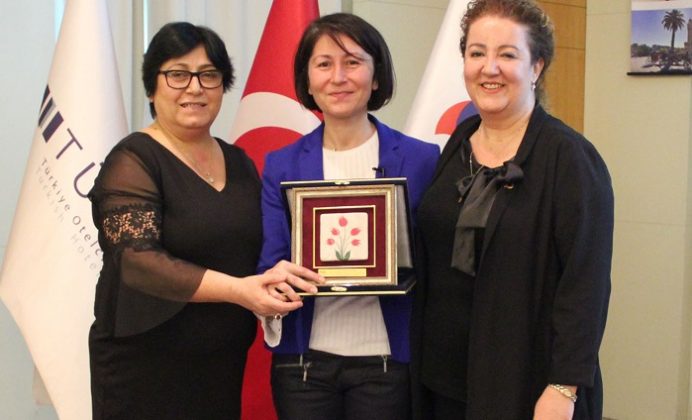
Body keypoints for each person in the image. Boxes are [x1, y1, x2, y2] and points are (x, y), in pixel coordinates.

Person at [88, 22, 322, 420]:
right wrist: (239, 291)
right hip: (144, 366)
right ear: (152, 87)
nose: (195, 88)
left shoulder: (239, 161)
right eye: (178, 74)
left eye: (208, 75)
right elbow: (138, 261)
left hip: (221, 362)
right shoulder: (133, 160)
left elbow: (255, 246)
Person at [411, 0, 613, 419]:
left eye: (507, 55)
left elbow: (586, 286)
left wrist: (563, 387)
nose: (489, 68)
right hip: (443, 381)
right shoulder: (460, 141)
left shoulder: (570, 158)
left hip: (526, 383)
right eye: (477, 53)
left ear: (536, 66)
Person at [257, 13, 439, 420]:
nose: (338, 77)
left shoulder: (422, 160)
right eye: (324, 64)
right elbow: (270, 262)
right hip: (303, 366)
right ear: (307, 81)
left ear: (376, 77)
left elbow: (434, 264)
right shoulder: (282, 165)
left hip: (390, 364)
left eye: (353, 62)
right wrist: (278, 281)